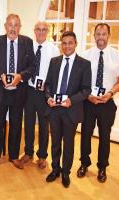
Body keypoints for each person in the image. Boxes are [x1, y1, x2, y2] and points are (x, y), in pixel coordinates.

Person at [0, 14, 35, 171]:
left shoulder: (27, 42)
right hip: (0, 90)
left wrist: (20, 76)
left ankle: (13, 156)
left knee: (15, 124)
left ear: (20, 27)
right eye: (10, 25)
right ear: (5, 26)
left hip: (19, 91)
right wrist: (1, 76)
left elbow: (33, 66)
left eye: (16, 25)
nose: (13, 28)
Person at [44, 31, 91, 188]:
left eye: (70, 42)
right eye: (64, 43)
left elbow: (86, 90)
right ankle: (55, 169)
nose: (67, 46)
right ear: (61, 45)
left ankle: (65, 173)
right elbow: (48, 84)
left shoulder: (84, 64)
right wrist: (49, 97)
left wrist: (71, 100)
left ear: (76, 43)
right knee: (55, 142)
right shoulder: (54, 61)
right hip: (55, 110)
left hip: (71, 110)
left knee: (68, 144)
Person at [77, 23, 119, 183]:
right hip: (88, 102)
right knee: (85, 135)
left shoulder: (118, 56)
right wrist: (88, 96)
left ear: (108, 36)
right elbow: (80, 81)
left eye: (104, 34)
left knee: (104, 137)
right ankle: (84, 163)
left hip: (107, 103)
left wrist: (110, 93)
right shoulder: (85, 55)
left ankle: (102, 167)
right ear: (94, 35)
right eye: (98, 34)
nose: (101, 37)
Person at [21, 21, 60, 168]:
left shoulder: (54, 50)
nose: (41, 32)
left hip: (44, 92)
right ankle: (28, 152)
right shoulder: (28, 46)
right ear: (34, 30)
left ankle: (42, 155)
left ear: (48, 31)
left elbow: (55, 74)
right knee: (29, 124)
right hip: (29, 90)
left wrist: (48, 86)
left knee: (44, 125)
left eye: (44, 30)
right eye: (38, 29)